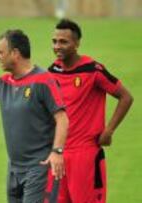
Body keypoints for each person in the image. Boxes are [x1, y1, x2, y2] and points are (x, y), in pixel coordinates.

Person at [0, 29, 69, 203]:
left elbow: (62, 118)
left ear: (15, 53)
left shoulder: (43, 81)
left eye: (1, 52)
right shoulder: (4, 82)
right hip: (14, 169)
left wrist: (57, 151)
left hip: (39, 168)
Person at [46, 19, 134, 203]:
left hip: (85, 155)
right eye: (54, 41)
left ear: (77, 44)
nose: (57, 46)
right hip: (58, 154)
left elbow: (126, 97)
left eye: (63, 41)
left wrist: (109, 130)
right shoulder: (52, 71)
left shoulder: (93, 70)